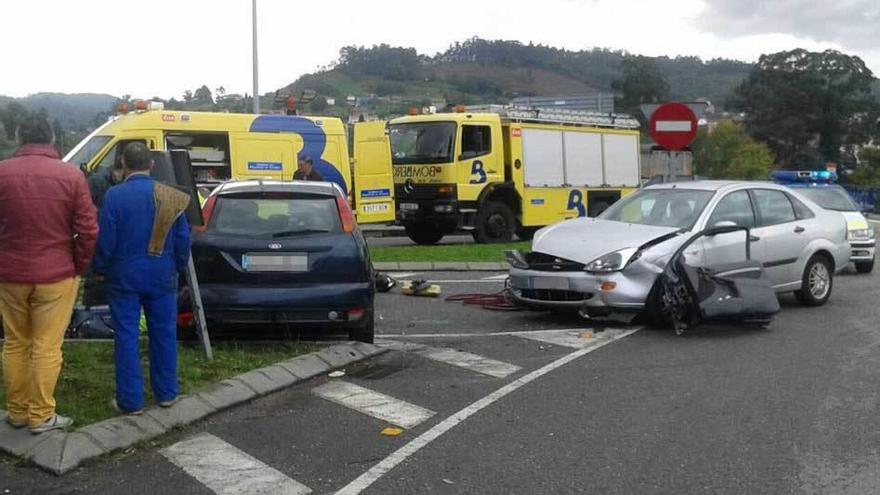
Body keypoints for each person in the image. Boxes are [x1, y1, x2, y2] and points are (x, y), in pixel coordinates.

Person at [0, 116, 98, 434]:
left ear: (18, 137)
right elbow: (87, 230)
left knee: (15, 342)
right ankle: (40, 415)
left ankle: (16, 412)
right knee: (46, 346)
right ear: (52, 139)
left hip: (9, 274)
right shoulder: (71, 176)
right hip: (56, 273)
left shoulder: (2, 172)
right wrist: (79, 266)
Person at [94, 142, 191, 415]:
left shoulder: (114, 196)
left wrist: (100, 269)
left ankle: (131, 401)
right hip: (163, 274)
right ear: (151, 165)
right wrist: (177, 266)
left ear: (123, 165)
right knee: (164, 333)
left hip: (123, 278)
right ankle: (167, 393)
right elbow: (184, 240)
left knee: (126, 336)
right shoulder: (171, 195)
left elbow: (106, 240)